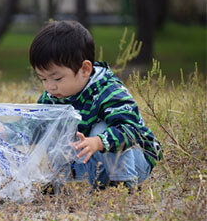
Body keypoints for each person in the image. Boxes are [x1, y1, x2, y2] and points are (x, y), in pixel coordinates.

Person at [29, 20, 163, 191]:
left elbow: (130, 130)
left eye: (57, 78)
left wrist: (99, 141)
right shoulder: (54, 95)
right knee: (53, 126)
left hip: (135, 160)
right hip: (91, 161)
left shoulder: (109, 91)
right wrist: (8, 131)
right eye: (43, 79)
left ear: (85, 69)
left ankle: (122, 184)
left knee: (100, 127)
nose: (50, 86)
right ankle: (58, 182)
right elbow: (37, 124)